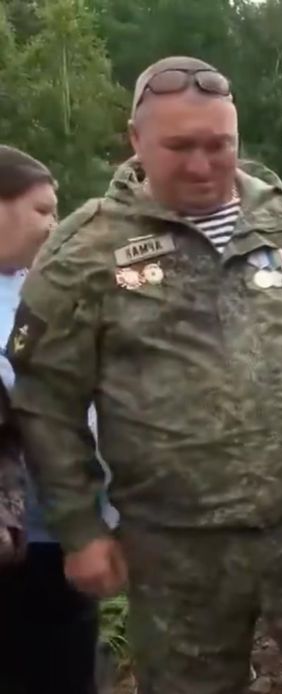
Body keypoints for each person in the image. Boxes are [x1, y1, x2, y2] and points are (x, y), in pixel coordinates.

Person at [6, 56, 282, 694]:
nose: (201, 164)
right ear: (135, 140)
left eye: (219, 146)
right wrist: (81, 528)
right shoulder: (86, 249)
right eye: (179, 146)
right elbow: (47, 402)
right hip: (176, 547)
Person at [0, 146, 119, 694]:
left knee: (64, 662)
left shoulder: (46, 284)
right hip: (16, 528)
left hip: (65, 526)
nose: (54, 225)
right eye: (42, 210)